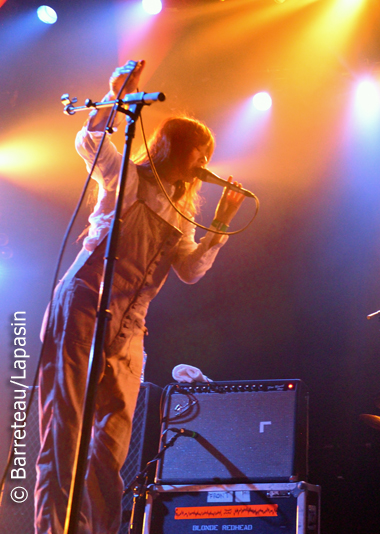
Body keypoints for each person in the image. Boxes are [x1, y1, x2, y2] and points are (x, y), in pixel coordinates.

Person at [35, 60, 245, 534]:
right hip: (86, 304)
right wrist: (116, 95)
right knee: (64, 429)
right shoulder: (127, 178)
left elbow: (190, 271)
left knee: (110, 446)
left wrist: (222, 225)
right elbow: (90, 144)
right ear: (173, 147)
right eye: (200, 152)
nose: (205, 164)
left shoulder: (182, 212)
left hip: (130, 330)